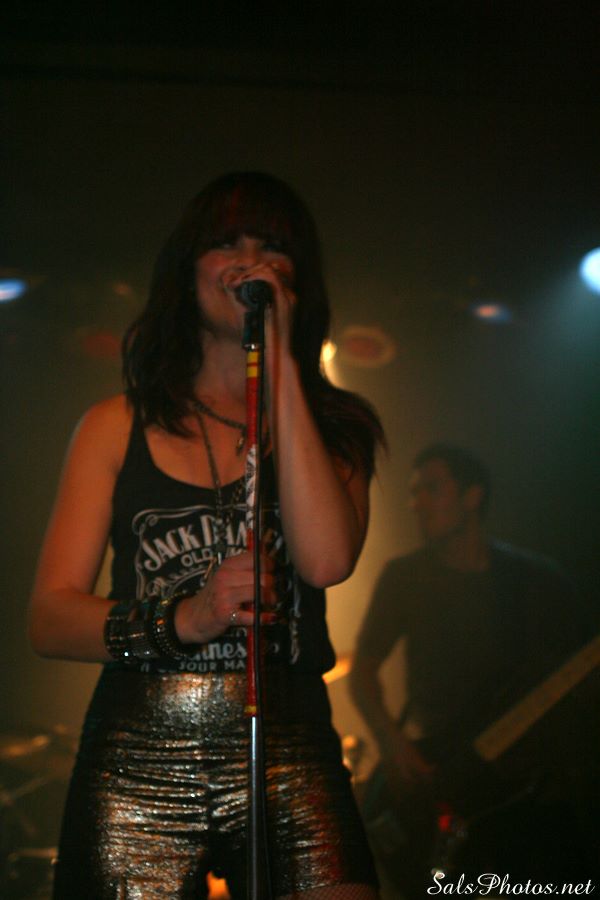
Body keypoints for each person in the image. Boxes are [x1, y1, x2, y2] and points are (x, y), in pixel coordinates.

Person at [29, 172, 384, 899]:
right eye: (228, 244)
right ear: (187, 271)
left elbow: (326, 559)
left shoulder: (336, 429)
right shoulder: (113, 426)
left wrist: (280, 361)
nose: (250, 262)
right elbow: (50, 618)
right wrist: (185, 618)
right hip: (139, 756)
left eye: (273, 248)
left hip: (291, 746)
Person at [350, 444, 595, 894]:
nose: (417, 503)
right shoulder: (404, 577)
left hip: (530, 790)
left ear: (472, 496)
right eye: (413, 492)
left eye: (431, 488)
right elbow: (362, 670)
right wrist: (391, 742)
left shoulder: (538, 579)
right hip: (443, 781)